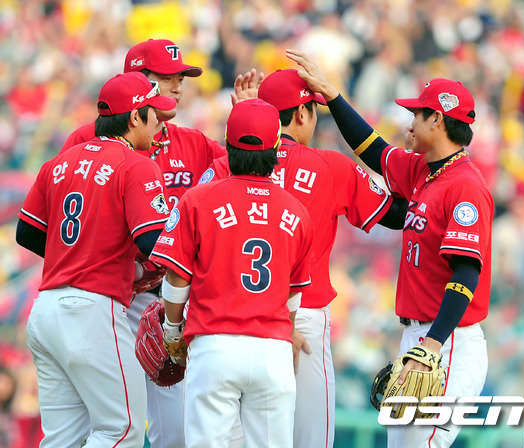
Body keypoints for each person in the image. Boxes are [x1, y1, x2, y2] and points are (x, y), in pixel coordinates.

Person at [286, 49, 493, 447]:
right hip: (420, 337)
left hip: (448, 341)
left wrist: (432, 344)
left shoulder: (465, 186)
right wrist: (332, 96)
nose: (409, 122)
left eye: (417, 113)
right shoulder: (424, 170)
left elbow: (467, 273)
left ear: (437, 120)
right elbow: (373, 149)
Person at [60, 38, 260, 448]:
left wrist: (247, 119)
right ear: (136, 82)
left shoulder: (194, 144)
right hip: (103, 297)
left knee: (178, 432)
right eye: (166, 77)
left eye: (181, 78)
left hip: (164, 299)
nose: (177, 86)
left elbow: (244, 175)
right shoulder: (88, 139)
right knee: (96, 428)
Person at [200, 68, 407, 448]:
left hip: (229, 322)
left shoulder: (227, 165)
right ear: (301, 113)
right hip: (304, 318)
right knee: (310, 440)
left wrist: (246, 120)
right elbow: (398, 215)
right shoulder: (329, 165)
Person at [15, 71, 174, 447]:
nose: (158, 121)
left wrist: (81, 254)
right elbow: (154, 242)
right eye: (153, 112)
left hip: (46, 310)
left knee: (62, 438)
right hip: (92, 310)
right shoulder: (136, 163)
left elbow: (26, 233)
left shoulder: (60, 162)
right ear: (134, 117)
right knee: (122, 430)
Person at [149, 98, 315, 447]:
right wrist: (287, 331)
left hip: (215, 347)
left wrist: (172, 331)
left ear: (227, 143)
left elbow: (177, 278)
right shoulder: (297, 211)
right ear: (275, 148)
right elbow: (294, 293)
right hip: (273, 351)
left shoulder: (197, 199)